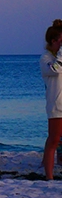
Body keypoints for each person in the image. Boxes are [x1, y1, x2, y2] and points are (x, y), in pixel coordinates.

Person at [41, 19, 62, 180]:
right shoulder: (45, 59)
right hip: (56, 105)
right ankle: (49, 176)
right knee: (54, 139)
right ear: (53, 41)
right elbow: (54, 70)